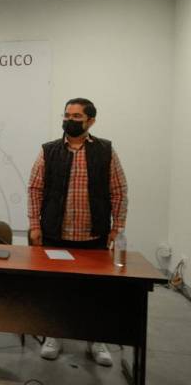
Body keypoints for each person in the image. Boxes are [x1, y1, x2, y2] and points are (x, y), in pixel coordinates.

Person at [27, 98, 128, 366]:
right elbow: (35, 189)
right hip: (55, 234)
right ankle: (53, 335)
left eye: (76, 117)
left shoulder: (105, 150)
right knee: (56, 290)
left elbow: (119, 191)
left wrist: (117, 228)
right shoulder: (49, 150)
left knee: (94, 292)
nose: (69, 120)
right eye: (67, 115)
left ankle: (97, 339)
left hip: (93, 236)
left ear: (90, 121)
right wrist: (35, 225)